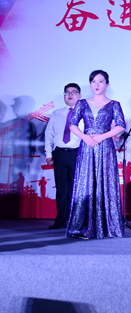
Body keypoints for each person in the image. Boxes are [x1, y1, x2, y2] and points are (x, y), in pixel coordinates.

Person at [66, 70, 126, 239]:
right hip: (87, 147)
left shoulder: (114, 104)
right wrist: (85, 137)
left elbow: (121, 125)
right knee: (86, 183)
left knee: (105, 182)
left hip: (105, 146)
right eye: (94, 81)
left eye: (101, 81)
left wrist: (102, 136)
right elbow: (72, 124)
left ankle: (108, 227)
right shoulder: (82, 103)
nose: (97, 84)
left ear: (107, 84)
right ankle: (81, 227)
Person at [44, 83, 82, 229]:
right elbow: (49, 134)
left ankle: (75, 220)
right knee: (61, 189)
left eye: (74, 92)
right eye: (67, 92)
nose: (70, 95)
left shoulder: (84, 114)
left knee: (76, 188)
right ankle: (61, 220)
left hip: (77, 154)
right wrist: (49, 154)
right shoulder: (57, 113)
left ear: (79, 96)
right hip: (59, 153)